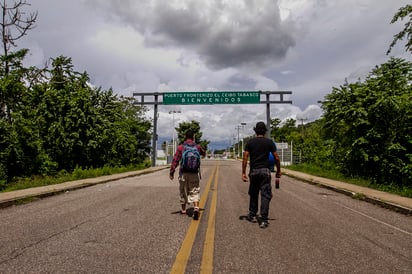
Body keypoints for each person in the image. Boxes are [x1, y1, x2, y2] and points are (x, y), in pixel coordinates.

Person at [242, 122, 281, 228]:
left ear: (255, 131)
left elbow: (245, 158)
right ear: (265, 131)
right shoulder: (269, 142)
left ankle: (252, 214)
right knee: (265, 195)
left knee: (253, 193)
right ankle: (264, 219)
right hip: (265, 171)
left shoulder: (250, 142)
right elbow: (276, 157)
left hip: (254, 171)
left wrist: (243, 172)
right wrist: (278, 170)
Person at [170, 130, 206, 220]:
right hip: (194, 173)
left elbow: (175, 160)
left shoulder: (181, 147)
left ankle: (183, 210)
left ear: (185, 137)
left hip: (183, 173)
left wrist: (172, 171)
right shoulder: (197, 147)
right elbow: (204, 153)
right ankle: (196, 208)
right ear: (193, 137)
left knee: (183, 191)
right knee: (195, 191)